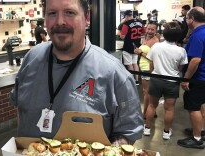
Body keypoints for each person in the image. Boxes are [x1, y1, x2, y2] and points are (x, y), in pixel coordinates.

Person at [10, 0, 143, 145]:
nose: (60, 22)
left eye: (69, 13)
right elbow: (20, 109)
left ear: (86, 18)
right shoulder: (31, 59)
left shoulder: (114, 74)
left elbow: (127, 133)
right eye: (52, 13)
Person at [143, 22, 188, 140]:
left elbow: (151, 63)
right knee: (169, 108)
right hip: (172, 81)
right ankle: (166, 132)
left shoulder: (156, 46)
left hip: (156, 79)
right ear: (178, 36)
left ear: (164, 33)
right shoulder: (181, 51)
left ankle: (147, 128)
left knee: (152, 105)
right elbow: (181, 67)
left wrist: (155, 70)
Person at [177, 7, 205, 149]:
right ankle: (200, 130)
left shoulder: (198, 35)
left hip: (198, 78)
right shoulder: (200, 32)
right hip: (203, 78)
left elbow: (195, 60)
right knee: (200, 105)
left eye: (187, 17)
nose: (186, 19)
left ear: (192, 19)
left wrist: (186, 79)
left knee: (193, 108)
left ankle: (197, 138)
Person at [134, 22, 159, 120]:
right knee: (148, 91)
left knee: (146, 92)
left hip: (148, 68)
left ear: (156, 30)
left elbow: (153, 58)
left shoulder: (155, 42)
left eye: (152, 29)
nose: (150, 31)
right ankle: (153, 111)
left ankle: (145, 113)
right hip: (143, 67)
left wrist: (140, 53)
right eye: (148, 29)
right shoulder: (145, 38)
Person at [120, 10, 145, 85]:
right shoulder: (140, 22)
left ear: (126, 16)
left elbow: (122, 36)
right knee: (135, 63)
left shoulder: (126, 24)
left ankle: (131, 81)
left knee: (129, 64)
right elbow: (143, 32)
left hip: (128, 46)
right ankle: (137, 80)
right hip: (137, 46)